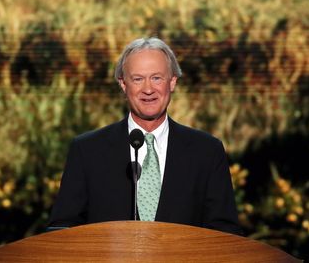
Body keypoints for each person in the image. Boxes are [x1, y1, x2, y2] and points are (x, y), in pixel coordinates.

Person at [49, 37, 242, 235]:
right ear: (123, 85)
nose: (148, 89)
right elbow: (63, 230)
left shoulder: (207, 152)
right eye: (138, 79)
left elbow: (225, 235)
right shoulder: (87, 151)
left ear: (172, 82)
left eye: (156, 78)